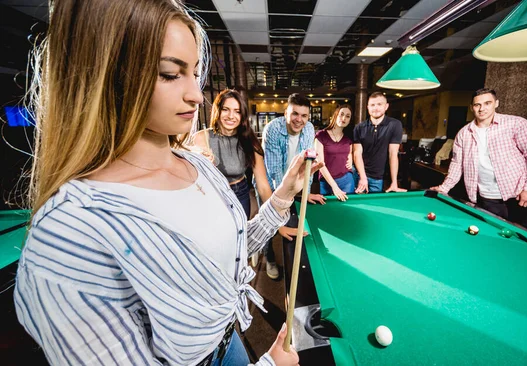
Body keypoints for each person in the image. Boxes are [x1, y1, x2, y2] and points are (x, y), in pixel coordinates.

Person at [13, 1, 320, 365]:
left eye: (194, 73)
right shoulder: (65, 236)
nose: (196, 94)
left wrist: (284, 192)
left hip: (231, 342)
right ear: (105, 75)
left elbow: (228, 254)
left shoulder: (196, 164)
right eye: (170, 74)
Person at [431, 88, 527, 226]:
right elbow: (456, 164)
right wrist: (444, 188)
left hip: (518, 195)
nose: (481, 109)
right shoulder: (463, 133)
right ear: (471, 107)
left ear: (496, 103)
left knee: (518, 240)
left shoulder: (516, 124)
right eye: (477, 105)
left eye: (487, 103)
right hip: (486, 198)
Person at [261, 93, 326, 279]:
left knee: (290, 222)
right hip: (270, 184)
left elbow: (308, 164)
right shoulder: (272, 129)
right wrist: (287, 197)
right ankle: (269, 258)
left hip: (294, 184)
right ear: (286, 113)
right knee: (269, 224)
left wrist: (304, 193)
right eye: (295, 114)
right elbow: (274, 173)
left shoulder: (309, 129)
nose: (299, 120)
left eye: (304, 116)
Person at [189, 89, 271, 219]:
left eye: (237, 111)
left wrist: (277, 221)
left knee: (240, 235)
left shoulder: (250, 141)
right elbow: (192, 179)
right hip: (212, 194)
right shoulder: (201, 138)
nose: (231, 116)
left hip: (240, 194)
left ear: (242, 115)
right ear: (217, 110)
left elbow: (263, 186)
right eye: (226, 109)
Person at [353, 92, 406, 193]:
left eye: (379, 104)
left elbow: (393, 154)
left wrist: (394, 182)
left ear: (386, 106)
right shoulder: (359, 127)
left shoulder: (395, 125)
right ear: (367, 107)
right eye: (372, 105)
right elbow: (357, 154)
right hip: (359, 174)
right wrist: (363, 177)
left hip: (378, 177)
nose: (375, 108)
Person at [314, 104, 354, 201]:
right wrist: (334, 186)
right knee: (329, 212)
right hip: (326, 182)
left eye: (347, 116)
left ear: (349, 120)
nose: (344, 118)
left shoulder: (348, 137)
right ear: (336, 115)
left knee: (349, 212)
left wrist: (350, 158)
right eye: (341, 114)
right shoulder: (321, 135)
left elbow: (349, 152)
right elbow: (320, 164)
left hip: (346, 180)